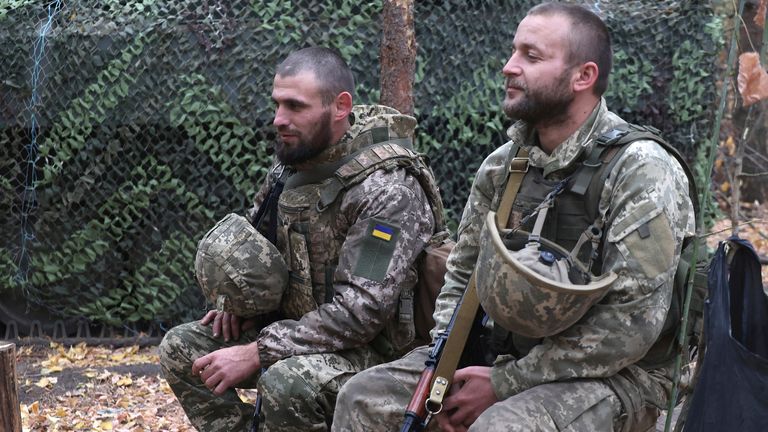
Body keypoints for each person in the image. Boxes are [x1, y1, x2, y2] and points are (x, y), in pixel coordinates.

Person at [333, 3, 695, 432]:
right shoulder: (504, 166)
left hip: (620, 376)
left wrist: (506, 383)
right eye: (512, 52)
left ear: (584, 76)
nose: (509, 67)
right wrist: (442, 366)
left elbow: (632, 326)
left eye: (531, 56)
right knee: (364, 397)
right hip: (503, 355)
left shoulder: (641, 170)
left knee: (502, 427)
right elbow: (463, 273)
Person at [159, 46, 438, 432]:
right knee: (181, 348)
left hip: (377, 354)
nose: (279, 119)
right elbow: (260, 252)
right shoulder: (290, 167)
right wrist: (240, 305)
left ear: (340, 107)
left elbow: (362, 312)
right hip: (298, 334)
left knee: (286, 382)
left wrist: (258, 351)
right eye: (277, 104)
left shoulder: (387, 191)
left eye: (295, 106)